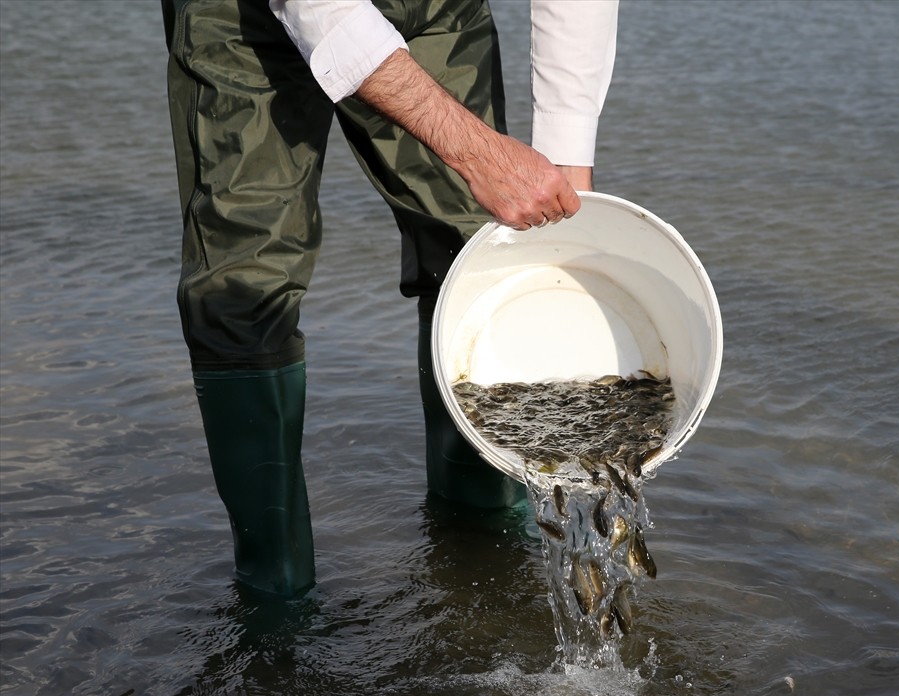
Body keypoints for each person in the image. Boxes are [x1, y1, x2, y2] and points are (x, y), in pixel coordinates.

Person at [159, 0, 620, 598]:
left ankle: (482, 548)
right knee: (244, 291)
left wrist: (564, 161)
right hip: (248, 16)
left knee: (475, 261)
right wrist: (477, 151)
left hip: (432, 10)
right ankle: (276, 595)